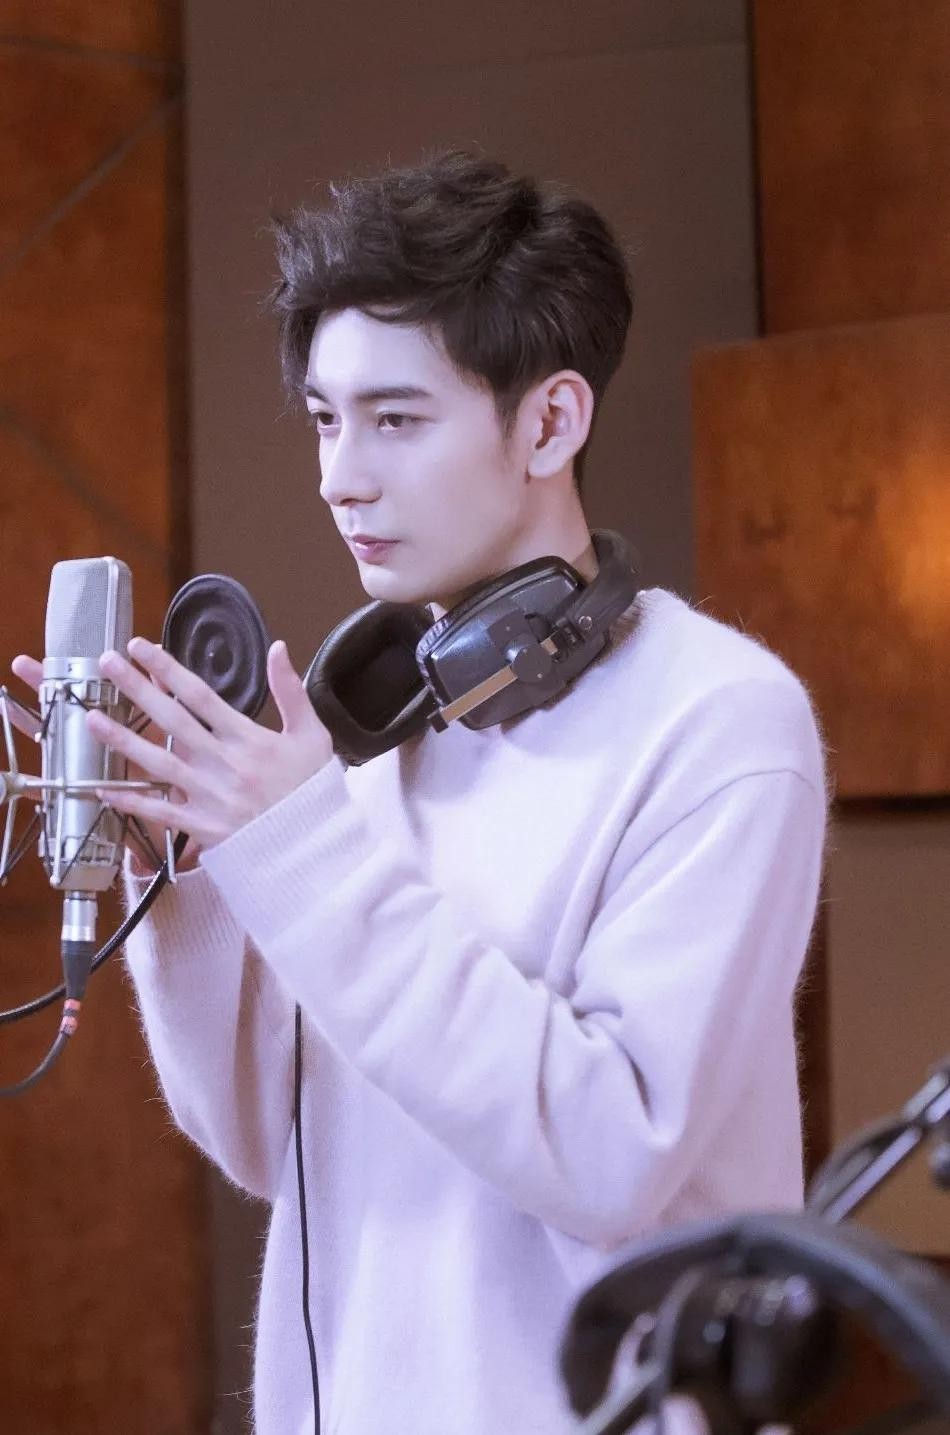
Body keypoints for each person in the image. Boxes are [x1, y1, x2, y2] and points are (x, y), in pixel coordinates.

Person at [13, 150, 829, 1434]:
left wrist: (303, 850)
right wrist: (190, 865)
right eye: (324, 419)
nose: (339, 474)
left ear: (549, 423)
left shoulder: (722, 722)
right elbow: (265, 1142)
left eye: (393, 419)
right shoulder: (383, 731)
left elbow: (610, 1154)